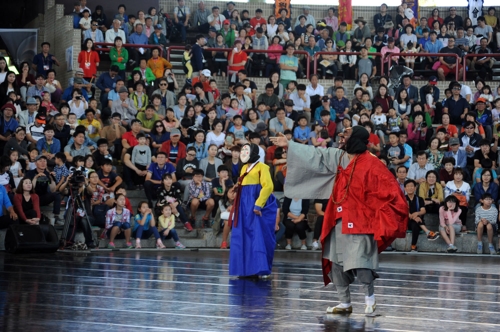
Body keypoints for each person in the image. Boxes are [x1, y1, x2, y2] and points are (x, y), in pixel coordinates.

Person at [271, 126, 408, 313]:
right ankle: (345, 303)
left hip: (362, 221)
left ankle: (370, 301)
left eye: (346, 135)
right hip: (338, 217)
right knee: (335, 261)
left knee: (361, 262)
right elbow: (316, 155)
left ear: (357, 139)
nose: (341, 137)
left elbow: (389, 191)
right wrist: (290, 145)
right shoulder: (339, 157)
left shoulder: (372, 163)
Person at [227, 143, 278, 279]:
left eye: (246, 151)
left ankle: (256, 268)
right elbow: (243, 183)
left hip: (253, 203)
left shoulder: (263, 167)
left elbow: (268, 186)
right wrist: (237, 187)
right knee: (243, 235)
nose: (243, 154)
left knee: (256, 235)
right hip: (243, 204)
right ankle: (245, 269)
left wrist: (258, 205)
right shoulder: (244, 167)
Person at [444, 167, 471, 232]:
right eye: (456, 174)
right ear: (453, 175)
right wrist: (452, 194)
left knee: (463, 208)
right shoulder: (449, 184)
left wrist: (461, 195)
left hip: (462, 203)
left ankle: (463, 224)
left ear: (463, 176)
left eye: (460, 174)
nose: (458, 176)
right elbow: (446, 197)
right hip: (450, 202)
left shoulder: (466, 185)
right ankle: (446, 224)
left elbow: (467, 199)